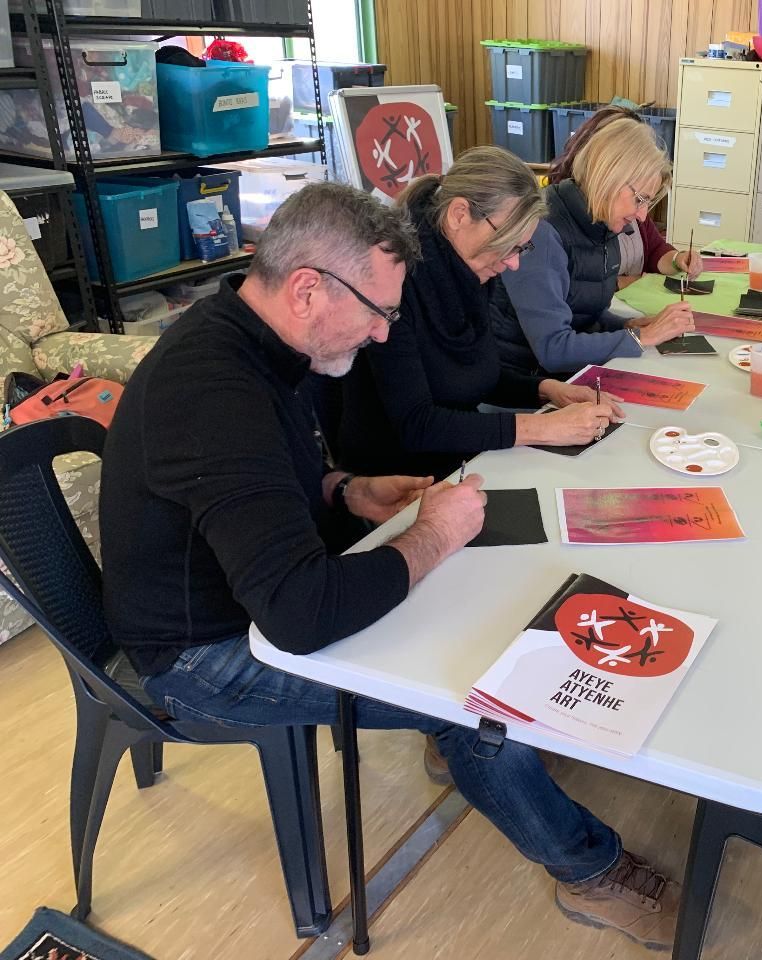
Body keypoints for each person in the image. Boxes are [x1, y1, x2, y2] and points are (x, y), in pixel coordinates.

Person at [99, 182, 681, 950]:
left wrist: (344, 487)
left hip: (248, 597)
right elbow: (301, 617)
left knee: (480, 617)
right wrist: (431, 537)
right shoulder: (215, 389)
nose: (381, 336)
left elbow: (259, 488)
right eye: (377, 312)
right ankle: (588, 869)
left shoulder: (256, 338)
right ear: (308, 289)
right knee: (478, 693)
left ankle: (473, 757)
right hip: (202, 655)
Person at [338, 146, 624, 480]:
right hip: (399, 481)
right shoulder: (396, 284)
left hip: (460, 464)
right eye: (508, 243)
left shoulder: (469, 270)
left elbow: (475, 374)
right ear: (459, 214)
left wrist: (547, 390)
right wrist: (540, 427)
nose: (514, 263)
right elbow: (417, 424)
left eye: (521, 247)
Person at [492, 119, 695, 377]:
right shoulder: (542, 231)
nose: (643, 216)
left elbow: (585, 316)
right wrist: (641, 336)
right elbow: (554, 350)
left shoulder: (602, 224)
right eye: (640, 199)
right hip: (527, 389)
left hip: (567, 378)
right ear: (610, 178)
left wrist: (629, 325)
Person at [546, 106, 704, 288]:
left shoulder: (625, 207)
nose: (642, 216)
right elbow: (574, 293)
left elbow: (655, 250)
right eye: (640, 199)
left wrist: (678, 259)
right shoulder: (556, 225)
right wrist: (622, 284)